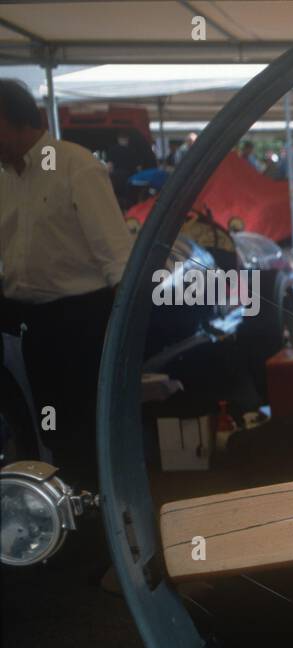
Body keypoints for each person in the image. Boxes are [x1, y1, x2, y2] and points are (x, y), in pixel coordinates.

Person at [0, 79, 133, 487]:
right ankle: (41, 515)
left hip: (77, 323)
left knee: (81, 432)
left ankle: (92, 524)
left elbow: (117, 261)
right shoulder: (3, 177)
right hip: (21, 323)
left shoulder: (75, 165)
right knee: (33, 426)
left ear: (12, 122)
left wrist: (123, 340)